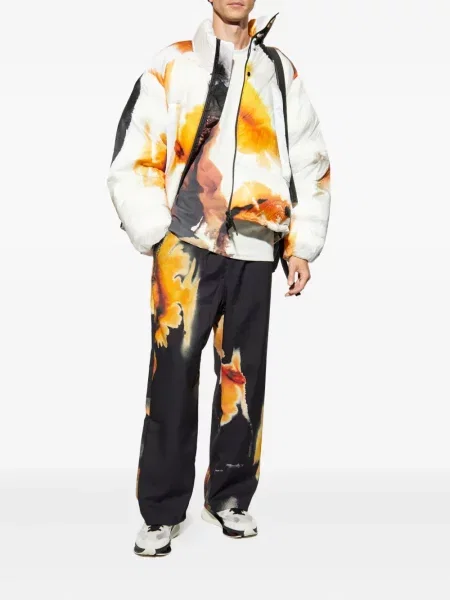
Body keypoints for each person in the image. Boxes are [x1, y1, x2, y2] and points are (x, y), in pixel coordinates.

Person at [107, 0, 331, 557]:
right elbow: (135, 153)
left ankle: (230, 497)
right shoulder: (173, 64)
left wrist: (301, 245)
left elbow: (308, 157)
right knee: (172, 379)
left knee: (243, 379)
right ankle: (161, 511)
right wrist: (156, 232)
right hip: (185, 247)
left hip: (255, 247)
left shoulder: (278, 71)